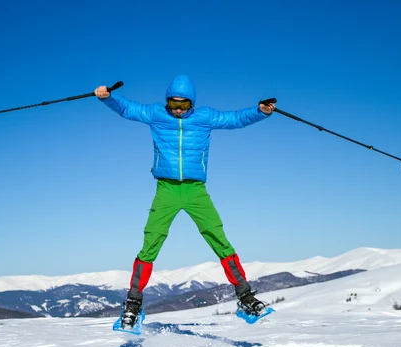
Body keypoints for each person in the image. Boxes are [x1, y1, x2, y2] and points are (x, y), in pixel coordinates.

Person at [95, 75, 276, 329]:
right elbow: (127, 108)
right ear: (167, 101)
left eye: (183, 105)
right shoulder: (156, 114)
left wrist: (260, 111)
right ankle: (133, 306)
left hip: (196, 190)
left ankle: (245, 297)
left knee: (219, 239)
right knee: (151, 243)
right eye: (173, 104)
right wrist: (108, 97)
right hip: (166, 189)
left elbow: (235, 119)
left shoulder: (205, 117)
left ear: (192, 103)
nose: (178, 110)